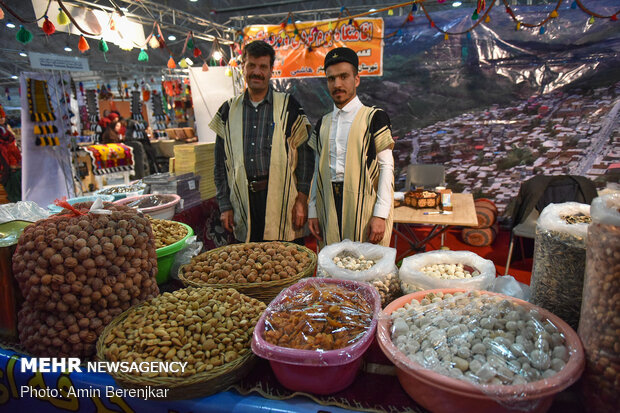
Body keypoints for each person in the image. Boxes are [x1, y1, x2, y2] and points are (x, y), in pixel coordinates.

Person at [210, 40, 313, 243]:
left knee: (286, 263)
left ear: (271, 71)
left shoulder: (289, 106)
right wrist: (225, 205)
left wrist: (302, 199)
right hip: (243, 201)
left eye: (263, 67)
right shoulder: (227, 111)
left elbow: (305, 158)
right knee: (251, 265)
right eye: (251, 65)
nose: (257, 72)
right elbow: (220, 165)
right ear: (243, 67)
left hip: (282, 199)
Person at [308, 47, 395, 247]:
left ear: (356, 79)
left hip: (364, 207)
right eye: (331, 79)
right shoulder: (322, 123)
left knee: (364, 267)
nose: (337, 84)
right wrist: (313, 210)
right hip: (329, 205)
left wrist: (380, 215)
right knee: (333, 266)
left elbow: (386, 168)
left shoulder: (374, 117)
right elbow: (317, 171)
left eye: (343, 76)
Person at [0, 104, 21, 202]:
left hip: (13, 166)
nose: (1, 119)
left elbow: (12, 150)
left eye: (2, 117)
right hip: (7, 169)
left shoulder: (7, 131)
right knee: (15, 178)